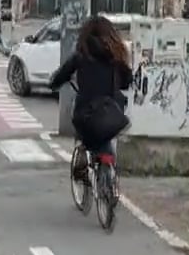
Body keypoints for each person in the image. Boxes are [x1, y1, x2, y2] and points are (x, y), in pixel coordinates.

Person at [48, 16, 135, 182]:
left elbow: (61, 75)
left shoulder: (81, 56)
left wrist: (53, 84)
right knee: (107, 135)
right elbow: (127, 80)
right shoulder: (117, 55)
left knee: (82, 125)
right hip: (114, 111)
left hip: (87, 112)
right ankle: (110, 176)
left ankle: (81, 156)